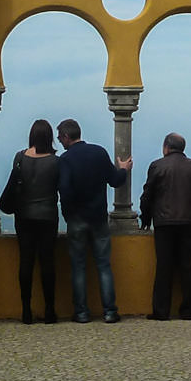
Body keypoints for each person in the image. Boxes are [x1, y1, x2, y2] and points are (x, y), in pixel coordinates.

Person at [56, 119, 130, 324]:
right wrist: (123, 168)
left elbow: (65, 191)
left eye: (59, 137)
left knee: (78, 267)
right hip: (98, 218)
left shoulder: (66, 159)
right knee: (104, 265)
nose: (59, 142)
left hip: (77, 219)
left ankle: (81, 313)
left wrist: (68, 215)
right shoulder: (99, 152)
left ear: (65, 136)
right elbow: (115, 180)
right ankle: (110, 312)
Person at [140, 132, 191, 320]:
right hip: (189, 222)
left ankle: (161, 311)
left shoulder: (157, 166)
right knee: (188, 267)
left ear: (166, 147)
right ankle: (189, 310)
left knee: (164, 267)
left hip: (164, 223)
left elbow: (147, 196)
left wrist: (146, 219)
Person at [0, 119, 61, 325]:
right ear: (49, 137)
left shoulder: (19, 157)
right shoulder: (55, 161)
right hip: (47, 216)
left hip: (23, 216)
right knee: (47, 262)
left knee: (25, 261)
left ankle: (26, 310)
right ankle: (50, 310)